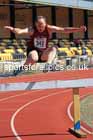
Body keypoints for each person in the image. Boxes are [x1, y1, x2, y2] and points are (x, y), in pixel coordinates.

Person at [4, 16, 87, 75]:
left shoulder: (49, 28)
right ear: (35, 24)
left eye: (42, 25)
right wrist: (13, 29)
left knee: (54, 47)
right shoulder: (32, 29)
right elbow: (20, 31)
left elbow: (64, 29)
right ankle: (20, 70)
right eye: (38, 25)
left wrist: (78, 29)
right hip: (33, 51)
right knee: (34, 58)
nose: (40, 27)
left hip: (44, 53)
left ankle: (48, 65)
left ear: (45, 24)